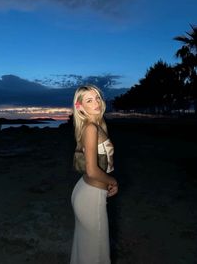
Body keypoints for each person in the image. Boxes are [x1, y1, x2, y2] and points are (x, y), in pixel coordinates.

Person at [70, 85, 118, 264]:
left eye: (97, 97)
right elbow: (91, 169)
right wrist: (112, 181)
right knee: (97, 255)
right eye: (89, 100)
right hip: (91, 196)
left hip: (86, 190)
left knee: (85, 250)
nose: (96, 102)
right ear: (80, 106)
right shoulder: (91, 128)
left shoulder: (97, 125)